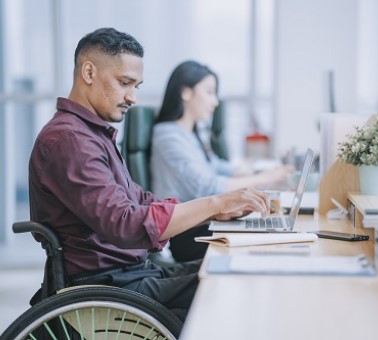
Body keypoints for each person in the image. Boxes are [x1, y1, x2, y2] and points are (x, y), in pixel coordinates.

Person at [28, 27, 270, 322]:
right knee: (229, 285)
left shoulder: (91, 135)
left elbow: (138, 199)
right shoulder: (70, 141)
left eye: (136, 86)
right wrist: (214, 204)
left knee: (230, 268)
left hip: (130, 274)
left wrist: (213, 213)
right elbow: (125, 223)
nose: (132, 97)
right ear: (88, 73)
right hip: (107, 287)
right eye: (124, 83)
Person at [150, 60, 293, 261]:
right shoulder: (168, 136)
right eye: (209, 92)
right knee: (262, 246)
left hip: (205, 222)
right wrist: (264, 177)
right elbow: (208, 186)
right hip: (188, 233)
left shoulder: (191, 133)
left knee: (269, 235)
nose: (215, 101)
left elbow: (215, 166)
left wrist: (255, 175)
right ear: (186, 92)